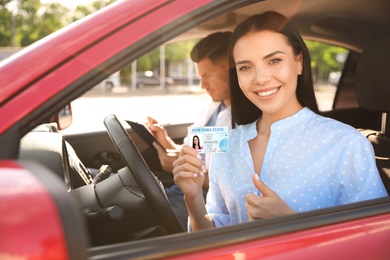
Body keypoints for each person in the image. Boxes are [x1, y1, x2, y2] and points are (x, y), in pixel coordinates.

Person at [172, 11, 388, 231]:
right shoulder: (226, 145)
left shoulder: (346, 144)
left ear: (299, 62)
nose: (261, 78)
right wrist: (193, 198)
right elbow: (213, 238)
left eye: (274, 60)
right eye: (245, 67)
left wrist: (294, 223)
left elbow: (375, 239)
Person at [146, 32, 233, 229]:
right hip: (182, 190)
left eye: (207, 76)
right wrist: (166, 141)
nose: (203, 85)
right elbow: (197, 151)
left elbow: (228, 186)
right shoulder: (213, 108)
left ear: (231, 70)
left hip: (204, 202)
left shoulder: (242, 122)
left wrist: (185, 171)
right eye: (200, 77)